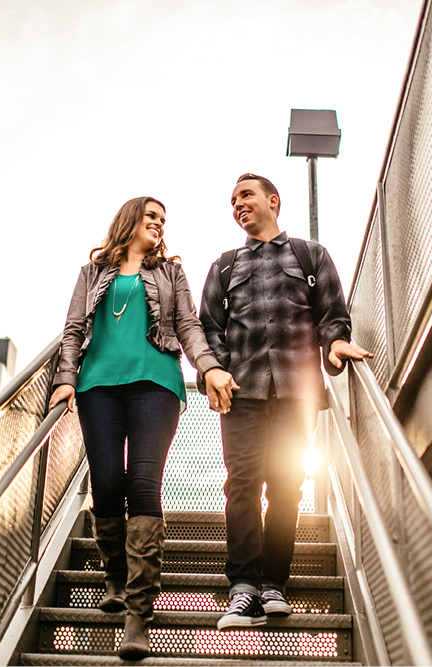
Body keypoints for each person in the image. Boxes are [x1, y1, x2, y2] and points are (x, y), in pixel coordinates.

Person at [49, 196, 237, 659]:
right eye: (151, 216)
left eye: (163, 220)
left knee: (143, 483)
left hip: (156, 384)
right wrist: (65, 378)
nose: (159, 224)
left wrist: (209, 367)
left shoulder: (171, 272)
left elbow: (188, 325)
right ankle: (114, 574)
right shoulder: (92, 273)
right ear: (130, 219)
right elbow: (73, 329)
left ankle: (138, 612)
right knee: (107, 482)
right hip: (98, 385)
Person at [198, 174, 372, 631]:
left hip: (298, 392)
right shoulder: (224, 266)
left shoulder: (310, 256)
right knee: (242, 485)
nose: (237, 204)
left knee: (286, 485)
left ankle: (273, 583)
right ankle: (243, 588)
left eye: (246, 195)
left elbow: (332, 314)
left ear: (273, 201)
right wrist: (214, 370)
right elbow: (209, 327)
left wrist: (336, 344)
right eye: (232, 200)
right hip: (242, 393)